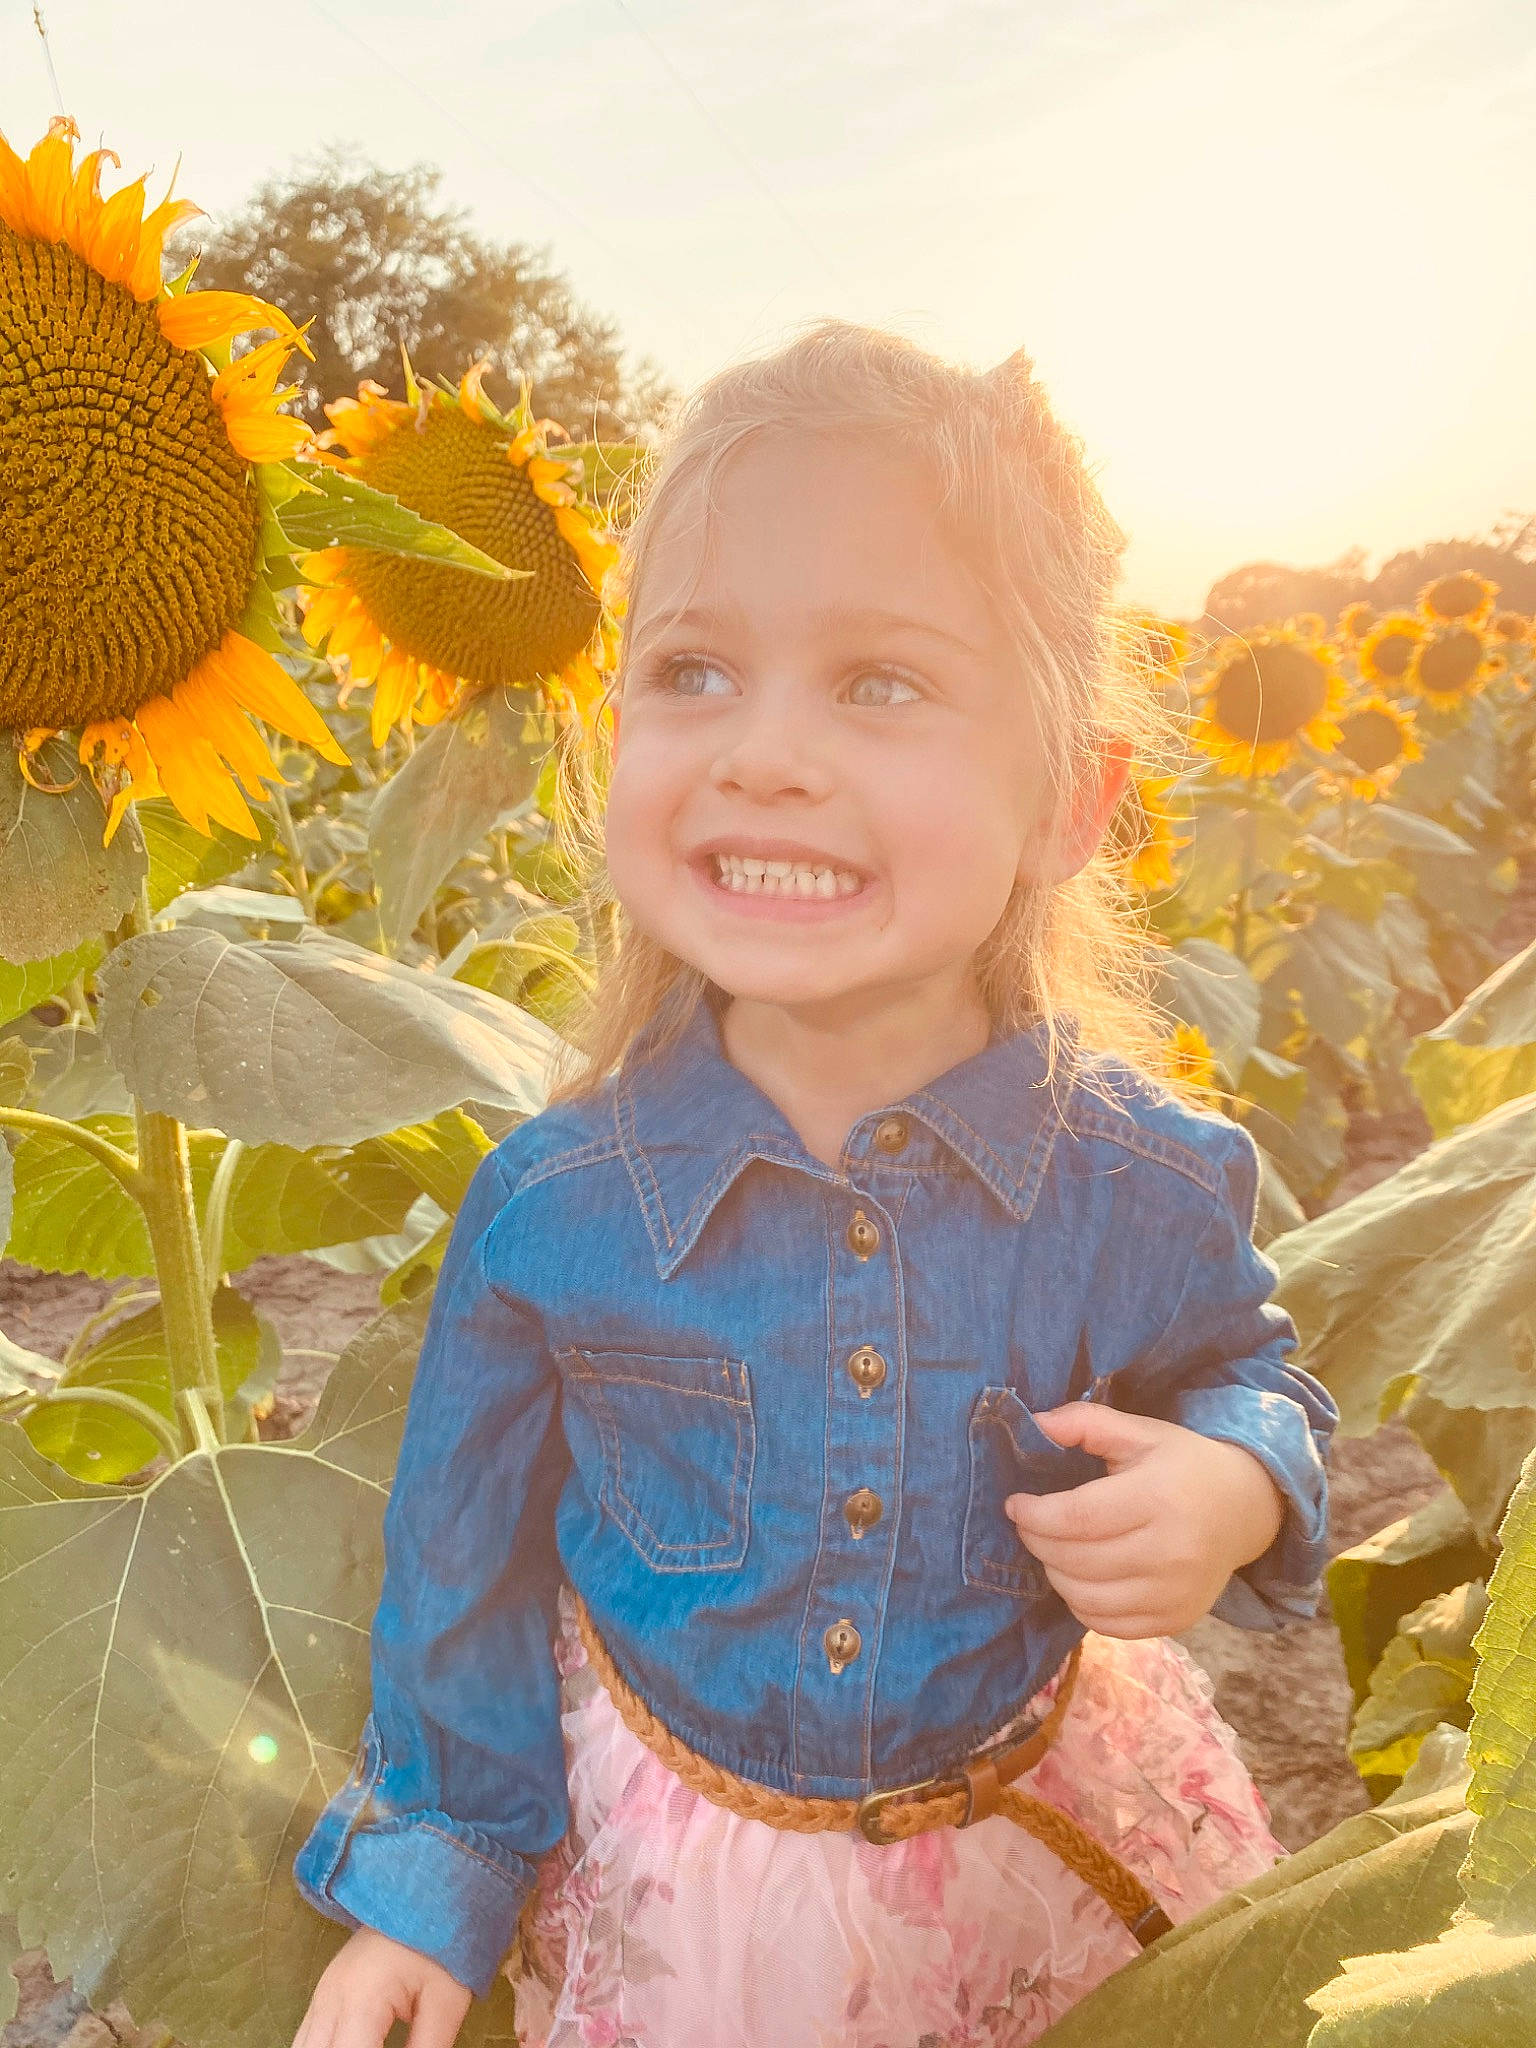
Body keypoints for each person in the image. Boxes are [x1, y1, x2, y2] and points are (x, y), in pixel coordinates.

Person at [289, 320, 1335, 2048]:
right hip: (686, 1886)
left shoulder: (1143, 1179)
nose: (763, 751)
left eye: (880, 681)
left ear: (1071, 805)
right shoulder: (552, 1205)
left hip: (1027, 1837)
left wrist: (1236, 1480)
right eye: (695, 670)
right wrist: (440, 1879)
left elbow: (1248, 1371)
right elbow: (460, 1576)